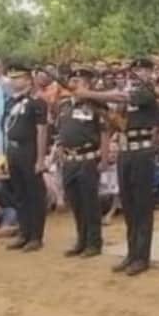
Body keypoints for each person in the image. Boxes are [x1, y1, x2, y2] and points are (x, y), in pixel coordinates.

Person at [74, 58, 159, 276]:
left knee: (142, 206)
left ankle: (142, 256)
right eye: (136, 69)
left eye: (143, 69)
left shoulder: (148, 90)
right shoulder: (128, 95)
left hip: (142, 151)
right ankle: (132, 253)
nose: (138, 73)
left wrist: (88, 94)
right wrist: (99, 108)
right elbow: (117, 120)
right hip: (126, 150)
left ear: (150, 72)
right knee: (130, 205)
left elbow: (121, 96)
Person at [57, 68, 109, 258]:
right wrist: (60, 150)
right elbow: (61, 132)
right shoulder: (64, 106)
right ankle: (81, 240)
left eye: (80, 81)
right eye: (73, 80)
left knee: (90, 203)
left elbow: (104, 133)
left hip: (87, 159)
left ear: (88, 85)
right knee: (76, 203)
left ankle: (94, 243)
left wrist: (103, 159)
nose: (75, 84)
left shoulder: (95, 106)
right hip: (69, 160)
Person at [3, 64, 49, 252]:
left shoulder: (36, 101)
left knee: (34, 195)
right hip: (13, 150)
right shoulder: (11, 102)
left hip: (29, 149)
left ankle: (36, 236)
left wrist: (40, 159)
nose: (14, 81)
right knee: (20, 194)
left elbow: (42, 131)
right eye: (12, 78)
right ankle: (24, 232)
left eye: (18, 78)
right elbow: (6, 128)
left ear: (29, 80)